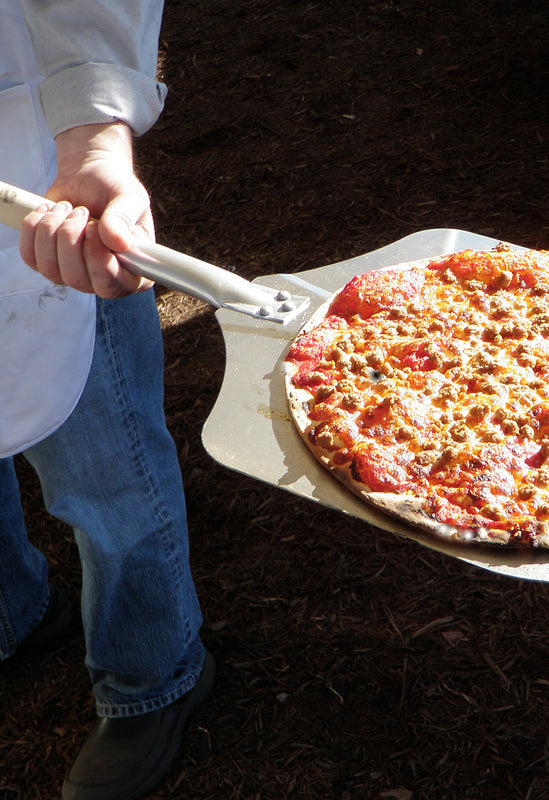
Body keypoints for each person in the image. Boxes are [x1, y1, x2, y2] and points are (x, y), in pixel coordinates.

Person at [0, 1, 213, 798]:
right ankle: (12, 613)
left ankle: (153, 673)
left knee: (105, 468)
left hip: (31, 144)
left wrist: (92, 132)